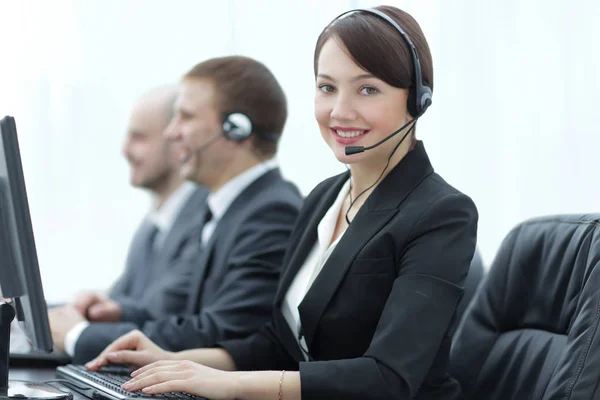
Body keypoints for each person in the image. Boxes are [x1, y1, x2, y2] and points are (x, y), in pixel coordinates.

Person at [87, 6, 478, 399]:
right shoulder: (324, 199)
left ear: (418, 100)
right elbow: (279, 345)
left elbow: (388, 379)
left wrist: (229, 385)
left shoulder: (441, 214)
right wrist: (173, 359)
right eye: (327, 87)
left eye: (368, 89)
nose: (339, 111)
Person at [60, 56, 303, 364]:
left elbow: (224, 332)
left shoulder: (272, 212)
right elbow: (182, 311)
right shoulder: (224, 209)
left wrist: (78, 336)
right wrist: (117, 312)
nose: (172, 133)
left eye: (185, 117)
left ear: (236, 130)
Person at [48, 85, 208, 356]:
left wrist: (77, 334)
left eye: (139, 137)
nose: (124, 150)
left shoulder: (204, 220)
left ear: (177, 139)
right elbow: (123, 304)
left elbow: (161, 316)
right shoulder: (153, 226)